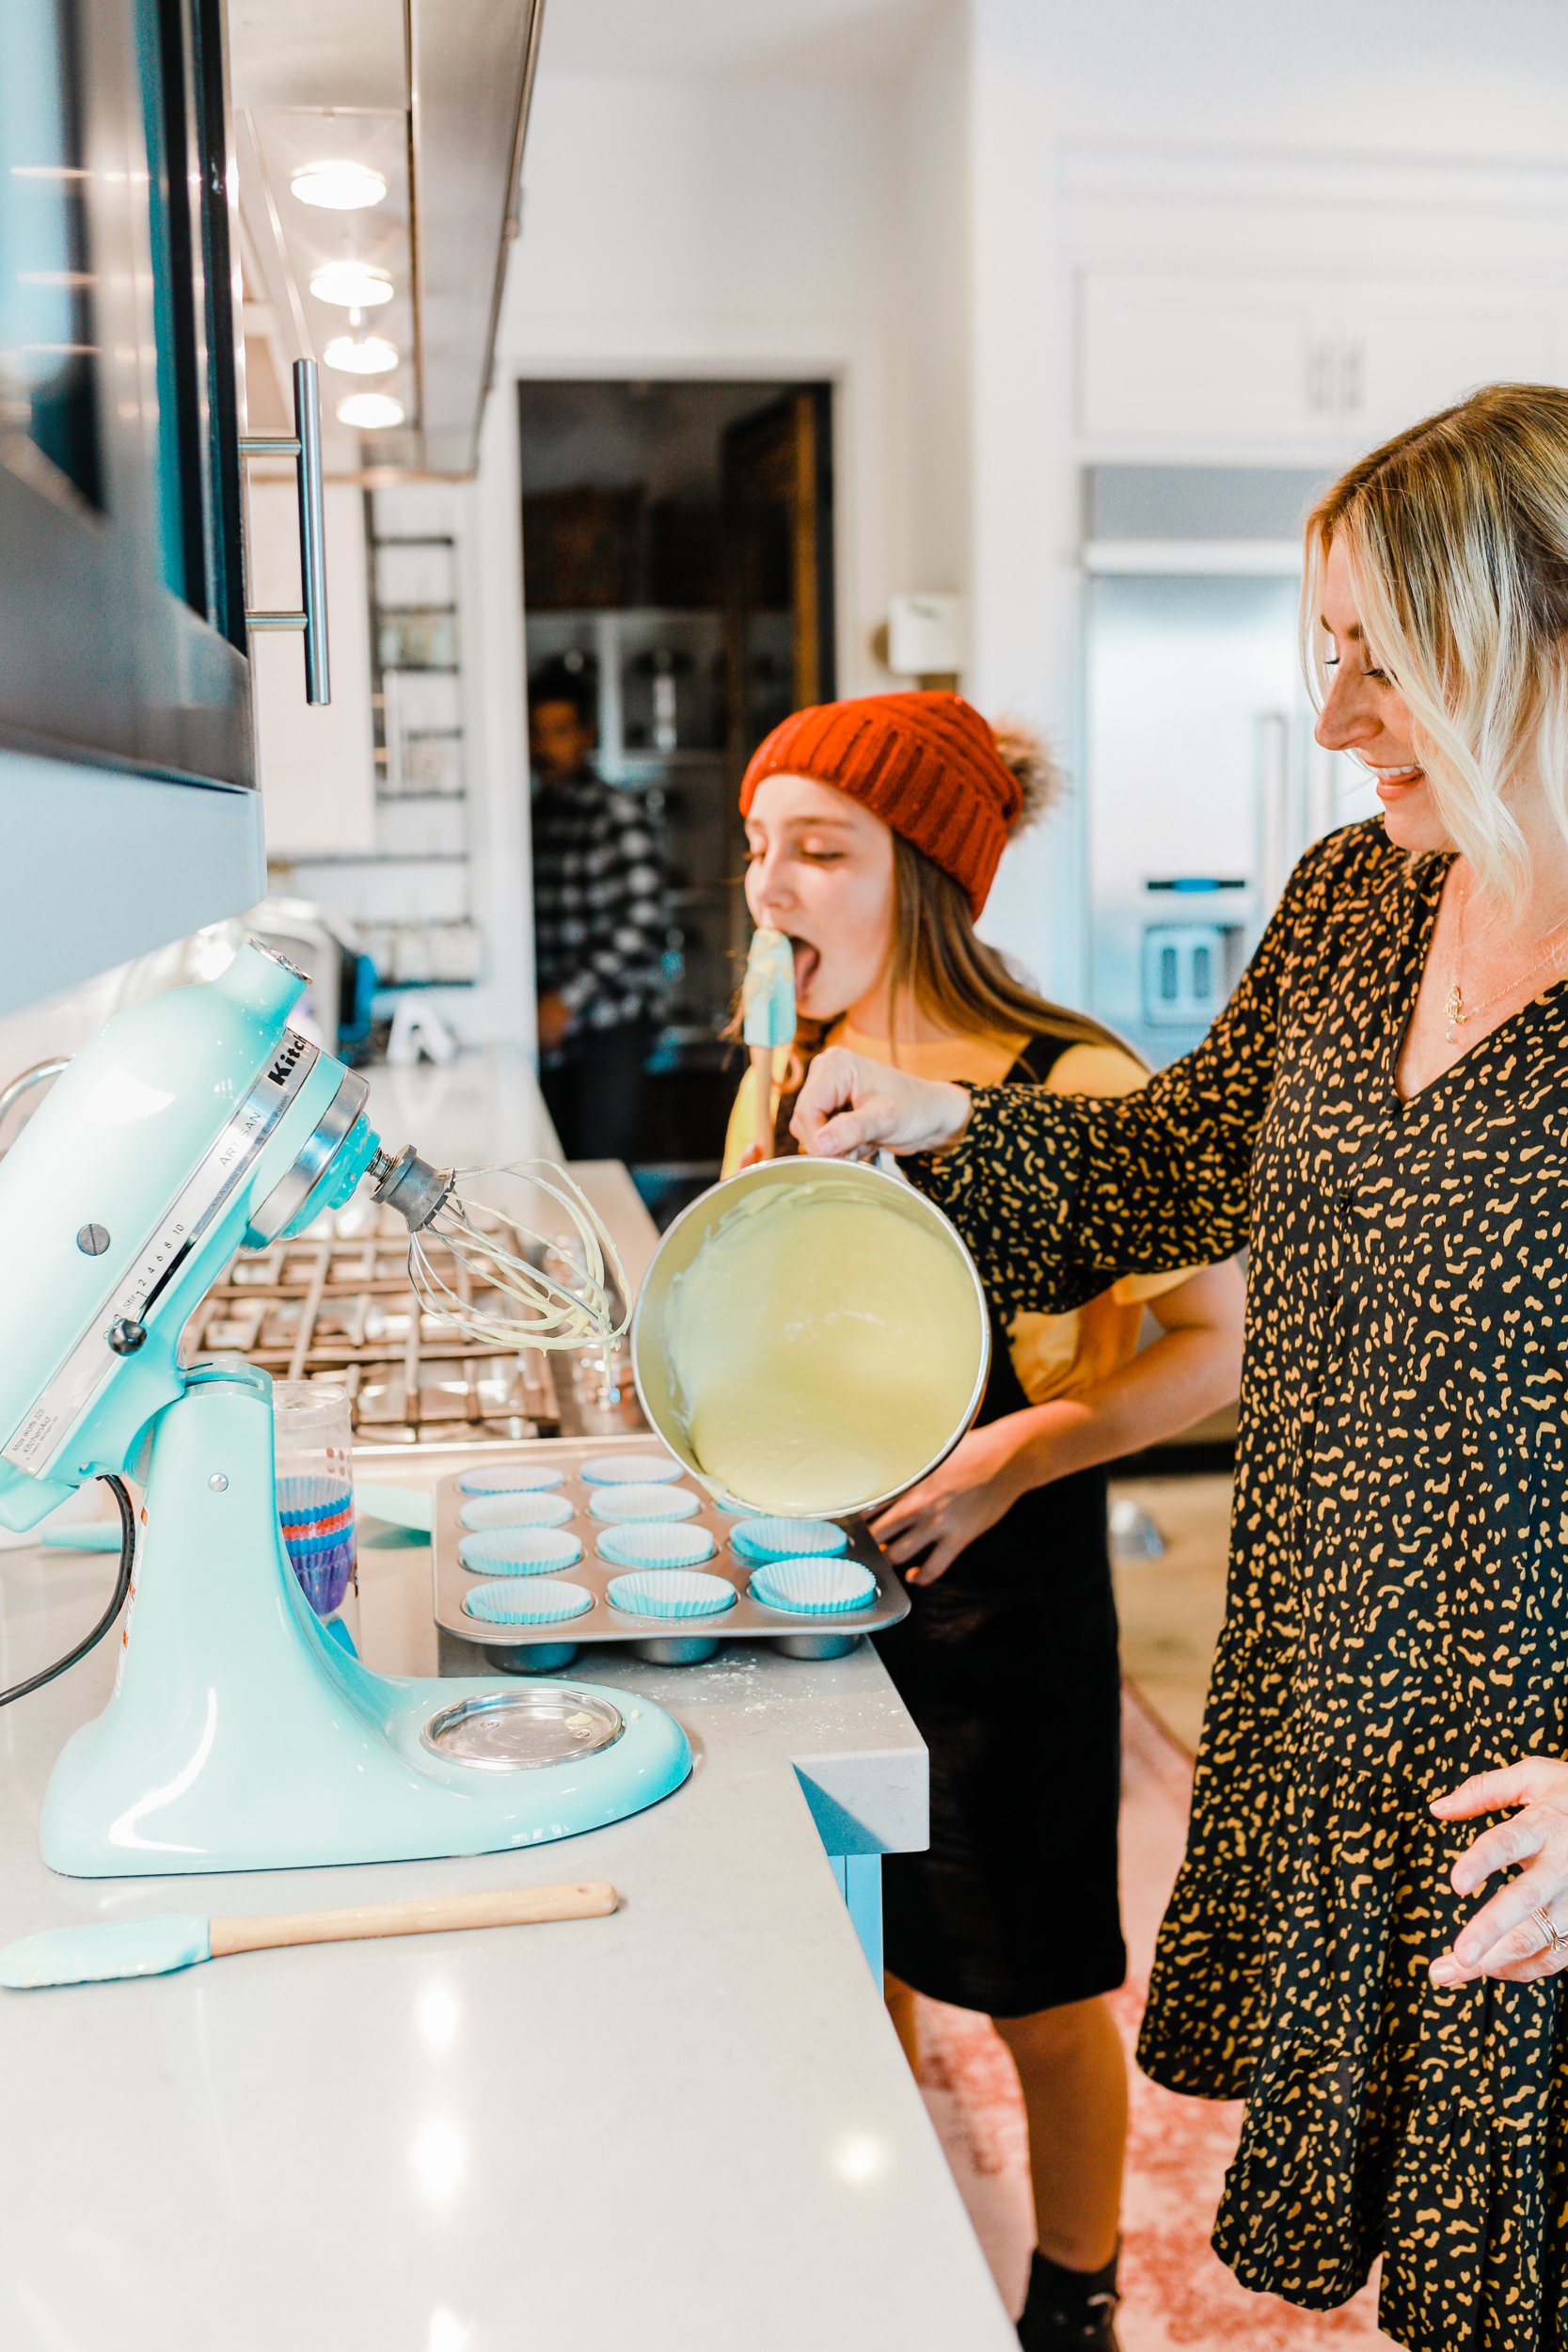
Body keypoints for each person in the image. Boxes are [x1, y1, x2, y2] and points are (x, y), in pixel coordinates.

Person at [789, 385, 1568, 2352]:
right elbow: (1176, 1156)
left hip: (1530, 1778)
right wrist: (939, 1125)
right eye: (1325, 655)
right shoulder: (1351, 905)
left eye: (1381, 663)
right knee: (1424, 2262)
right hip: (1338, 1704)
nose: (1329, 718)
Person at [725, 691, 1246, 2351]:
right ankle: (883, 2220)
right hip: (814, 1575)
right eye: (760, 847)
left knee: (1032, 1978)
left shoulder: (1069, 1076)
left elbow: (1216, 1345)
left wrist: (1016, 1456)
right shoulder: (786, 1055)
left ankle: (1072, 2293)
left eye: (820, 849)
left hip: (1005, 1593)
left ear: (930, 878)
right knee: (848, 1932)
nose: (772, 886)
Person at [528, 655, 669, 1162]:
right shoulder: (533, 817)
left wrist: (565, 996)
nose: (546, 747)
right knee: (558, 1162)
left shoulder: (616, 816)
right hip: (551, 1028)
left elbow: (641, 921)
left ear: (586, 734)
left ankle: (611, 1248)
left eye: (560, 731)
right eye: (537, 733)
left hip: (612, 1020)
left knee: (601, 1165)